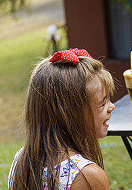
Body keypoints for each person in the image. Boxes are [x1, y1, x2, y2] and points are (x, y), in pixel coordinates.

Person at [8, 48, 115, 190]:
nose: (111, 106)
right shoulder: (87, 176)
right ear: (71, 114)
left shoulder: (20, 161)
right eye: (103, 103)